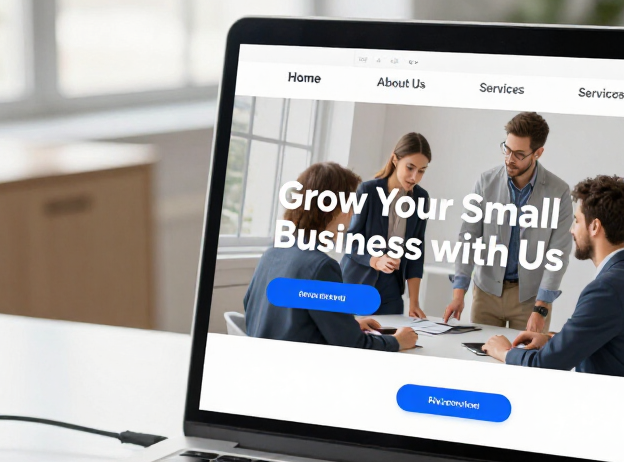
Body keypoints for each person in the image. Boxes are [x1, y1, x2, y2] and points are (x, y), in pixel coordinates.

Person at [482, 174, 624, 380]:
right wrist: (550, 340)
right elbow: (609, 339)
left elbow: (544, 365)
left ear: (595, 227)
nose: (572, 230)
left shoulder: (607, 289)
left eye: (576, 220)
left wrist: (504, 352)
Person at [244, 161, 418, 352]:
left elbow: (257, 310)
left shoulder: (273, 251)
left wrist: (345, 324)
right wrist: (398, 341)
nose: (352, 213)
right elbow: (355, 345)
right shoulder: (321, 267)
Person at [443, 112, 572, 332]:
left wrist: (541, 308)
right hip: (486, 294)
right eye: (507, 149)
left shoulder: (559, 192)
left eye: (519, 154)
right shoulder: (485, 182)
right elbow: (468, 238)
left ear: (538, 153)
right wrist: (458, 293)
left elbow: (557, 253)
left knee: (527, 362)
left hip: (530, 300)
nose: (509, 159)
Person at [342, 132, 431, 317]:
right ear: (395, 160)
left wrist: (414, 303)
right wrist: (376, 259)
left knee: (391, 342)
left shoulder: (421, 198)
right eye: (410, 167)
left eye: (421, 170)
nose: (414, 177)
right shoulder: (368, 191)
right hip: (357, 284)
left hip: (391, 292)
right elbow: (350, 240)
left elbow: (416, 253)